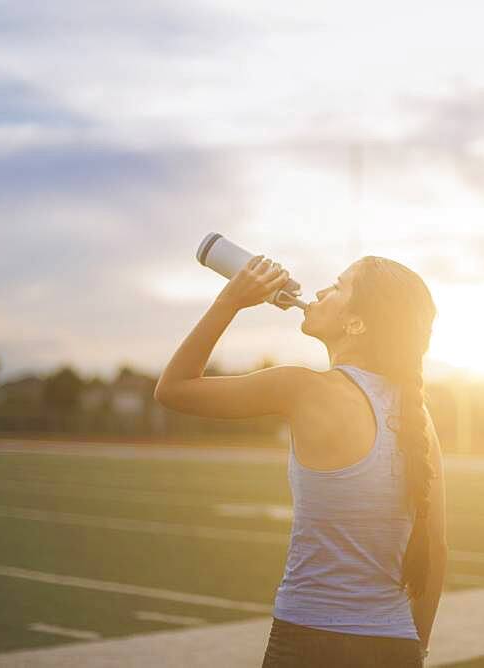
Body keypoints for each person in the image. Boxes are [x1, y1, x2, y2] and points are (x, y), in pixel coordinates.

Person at [154, 254, 448, 667]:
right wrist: (418, 650)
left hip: (309, 642)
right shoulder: (420, 419)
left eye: (338, 286)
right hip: (396, 646)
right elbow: (436, 548)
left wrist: (230, 301)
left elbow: (174, 389)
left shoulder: (301, 388)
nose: (321, 292)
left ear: (357, 324)